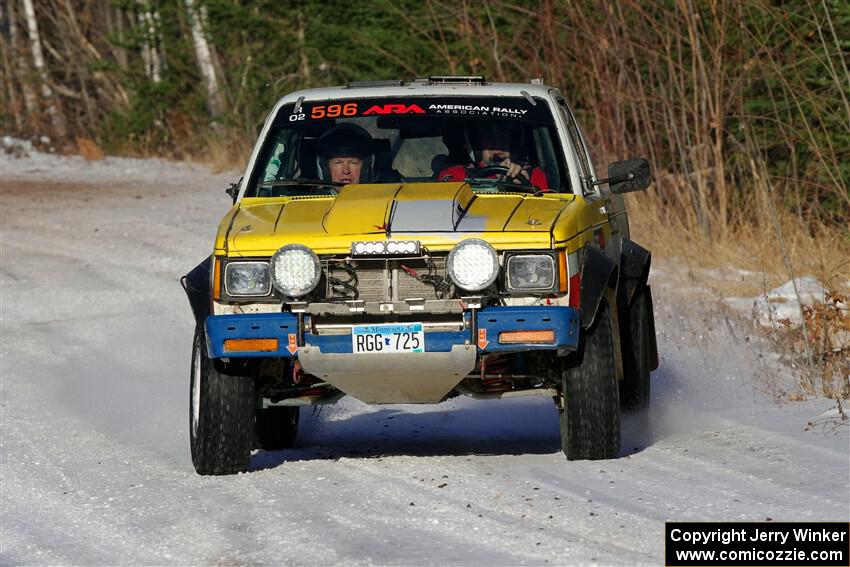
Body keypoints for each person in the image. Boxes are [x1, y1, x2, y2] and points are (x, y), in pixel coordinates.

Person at [438, 122, 549, 190]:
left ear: (514, 140)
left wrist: (527, 188)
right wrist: (495, 178)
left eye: (503, 134)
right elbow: (446, 199)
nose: (496, 142)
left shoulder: (534, 175)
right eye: (488, 135)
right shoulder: (455, 174)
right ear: (475, 142)